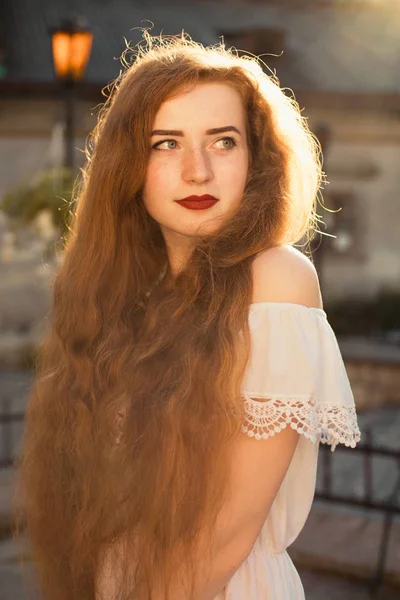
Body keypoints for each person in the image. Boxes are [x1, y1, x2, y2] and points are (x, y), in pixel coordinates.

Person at [14, 31, 361, 600]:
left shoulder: (275, 279)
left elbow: (223, 539)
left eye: (223, 142)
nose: (197, 170)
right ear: (129, 165)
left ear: (256, 158)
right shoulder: (132, 296)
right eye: (165, 143)